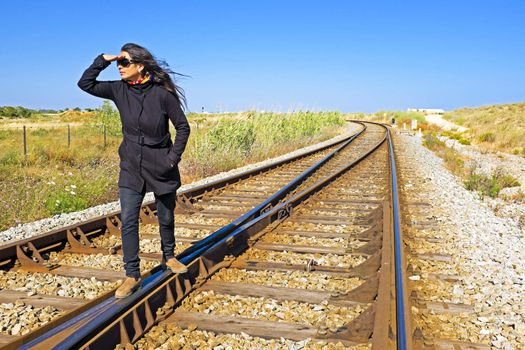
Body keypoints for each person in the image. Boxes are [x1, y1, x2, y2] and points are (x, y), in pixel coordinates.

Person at [78, 43, 191, 298]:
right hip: (130, 165)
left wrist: (172, 159)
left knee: (165, 216)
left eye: (125, 62)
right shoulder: (118, 90)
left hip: (160, 163)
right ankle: (132, 275)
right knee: (128, 219)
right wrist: (102, 60)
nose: (120, 66)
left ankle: (169, 257)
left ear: (140, 66)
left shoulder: (162, 94)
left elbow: (183, 127)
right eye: (119, 62)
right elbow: (85, 84)